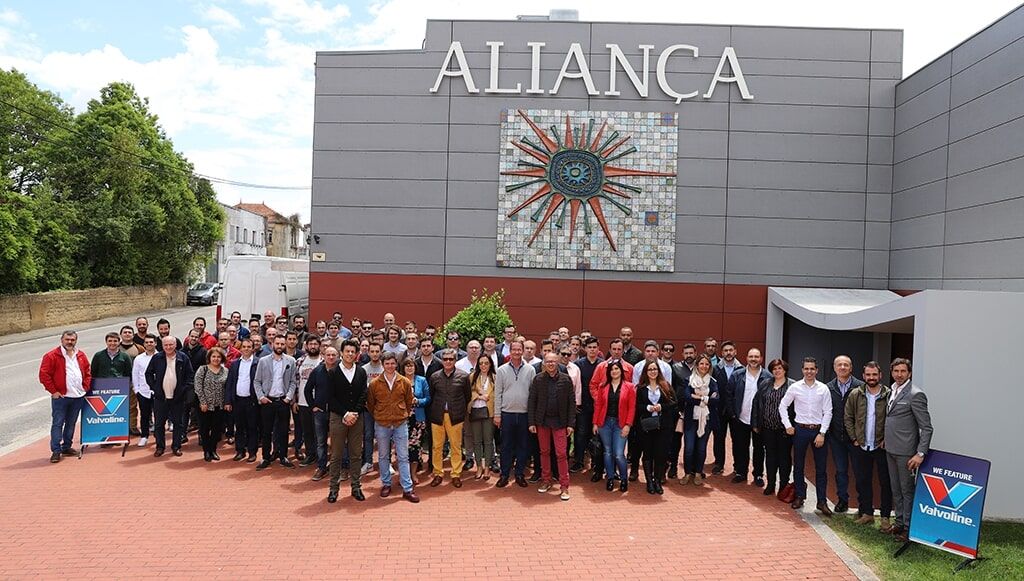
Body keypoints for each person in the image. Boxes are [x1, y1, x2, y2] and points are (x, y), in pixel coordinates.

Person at [884, 358, 932, 541]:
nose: (899, 374)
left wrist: (920, 453)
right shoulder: (892, 391)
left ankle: (909, 528)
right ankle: (899, 523)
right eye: (896, 371)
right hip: (890, 449)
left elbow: (926, 427)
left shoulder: (916, 394)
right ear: (892, 372)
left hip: (907, 452)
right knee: (896, 489)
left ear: (909, 373)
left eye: (903, 371)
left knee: (907, 491)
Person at [780, 357, 834, 516]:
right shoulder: (795, 387)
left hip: (818, 431)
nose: (809, 371)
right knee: (798, 465)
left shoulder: (823, 389)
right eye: (806, 368)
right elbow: (783, 406)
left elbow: (828, 411)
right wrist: (788, 425)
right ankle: (800, 496)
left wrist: (822, 433)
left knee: (821, 468)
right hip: (800, 431)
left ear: (817, 370)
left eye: (812, 369)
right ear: (802, 370)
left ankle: (822, 502)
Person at [844, 361, 893, 531]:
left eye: (874, 374)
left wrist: (887, 438)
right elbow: (848, 417)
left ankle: (885, 517)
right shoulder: (855, 394)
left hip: (881, 446)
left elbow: (894, 419)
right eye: (868, 375)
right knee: (862, 480)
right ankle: (867, 513)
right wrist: (854, 438)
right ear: (863, 376)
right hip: (861, 446)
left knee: (885, 482)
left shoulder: (889, 394)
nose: (871, 378)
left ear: (880, 375)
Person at [365, 352, 420, 502]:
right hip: (382, 424)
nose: (390, 366)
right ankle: (386, 484)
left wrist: (401, 414)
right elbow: (371, 404)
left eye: (392, 363)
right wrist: (380, 415)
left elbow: (408, 401)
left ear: (396, 364)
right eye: (387, 363)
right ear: (382, 365)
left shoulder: (404, 382)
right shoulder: (375, 383)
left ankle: (407, 489)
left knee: (403, 456)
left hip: (400, 423)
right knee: (383, 456)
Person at [321, 340, 368, 503]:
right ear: (341, 353)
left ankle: (356, 487)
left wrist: (354, 413)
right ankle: (333, 489)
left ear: (356, 354)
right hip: (338, 417)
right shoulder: (332, 372)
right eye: (347, 351)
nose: (350, 354)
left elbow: (363, 394)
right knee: (336, 455)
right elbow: (329, 397)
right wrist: (345, 413)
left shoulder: (361, 372)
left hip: (357, 417)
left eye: (352, 352)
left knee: (356, 454)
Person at [528, 352, 576, 501]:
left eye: (553, 361)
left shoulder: (566, 379)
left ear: (557, 362)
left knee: (561, 454)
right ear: (544, 363)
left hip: (560, 422)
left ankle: (564, 486)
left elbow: (572, 403)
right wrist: (531, 422)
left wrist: (570, 424)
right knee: (544, 452)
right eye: (548, 361)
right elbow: (532, 401)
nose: (550, 364)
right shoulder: (538, 379)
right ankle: (546, 480)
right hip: (542, 421)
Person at [39, 330, 91, 462]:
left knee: (71, 423)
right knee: (58, 423)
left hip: (77, 396)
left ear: (76, 341)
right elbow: (44, 375)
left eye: (72, 340)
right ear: (61, 340)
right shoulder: (51, 356)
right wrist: (53, 391)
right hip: (61, 397)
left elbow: (87, 371)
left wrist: (85, 387)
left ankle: (66, 447)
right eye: (67, 339)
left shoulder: (80, 354)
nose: (70, 342)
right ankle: (56, 451)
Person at [427, 349, 471, 488]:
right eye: (445, 359)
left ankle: (456, 474)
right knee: (437, 446)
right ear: (442, 360)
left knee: (456, 446)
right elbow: (431, 395)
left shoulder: (463, 376)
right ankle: (438, 473)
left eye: (451, 359)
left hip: (455, 416)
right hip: (437, 415)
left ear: (455, 360)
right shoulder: (434, 377)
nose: (448, 361)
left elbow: (467, 396)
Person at [826, 355, 864, 514]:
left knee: (859, 472)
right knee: (841, 471)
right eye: (839, 365)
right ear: (834, 368)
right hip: (836, 438)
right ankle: (842, 500)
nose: (842, 367)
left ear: (851, 368)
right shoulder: (828, 388)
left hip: (856, 439)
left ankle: (863, 504)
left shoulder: (861, 387)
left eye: (846, 365)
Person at [494, 340, 536, 488]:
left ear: (522, 351)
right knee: (506, 446)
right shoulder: (501, 370)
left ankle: (519, 474)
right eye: (514, 350)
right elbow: (497, 393)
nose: (517, 352)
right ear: (510, 351)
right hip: (507, 414)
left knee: (523, 446)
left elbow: (533, 394)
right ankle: (504, 475)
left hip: (524, 414)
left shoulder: (530, 370)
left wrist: (532, 417)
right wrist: (497, 414)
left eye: (519, 350)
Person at [145, 336, 194, 457]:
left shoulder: (183, 358)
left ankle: (176, 446)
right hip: (160, 398)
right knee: (159, 424)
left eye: (171, 345)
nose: (168, 347)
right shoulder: (157, 358)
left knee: (178, 424)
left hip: (178, 398)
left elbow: (190, 376)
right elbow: (148, 373)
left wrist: (183, 390)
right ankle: (160, 447)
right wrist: (155, 387)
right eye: (165, 345)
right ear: (162, 346)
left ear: (175, 345)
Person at [254, 336, 298, 470]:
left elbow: (293, 382)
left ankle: (283, 456)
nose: (279, 346)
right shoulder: (263, 361)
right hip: (268, 401)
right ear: (272, 344)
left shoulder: (291, 361)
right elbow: (257, 381)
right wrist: (261, 396)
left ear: (285, 345)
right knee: (266, 431)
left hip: (283, 401)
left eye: (282, 344)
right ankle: (266, 457)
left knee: (284, 431)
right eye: (277, 343)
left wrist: (288, 397)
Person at [727, 348, 770, 486]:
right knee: (740, 447)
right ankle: (741, 472)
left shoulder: (768, 376)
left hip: (759, 420)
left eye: (756, 357)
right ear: (746, 358)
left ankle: (758, 474)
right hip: (741, 418)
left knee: (759, 448)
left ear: (761, 359)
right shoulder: (737, 374)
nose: (753, 359)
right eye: (751, 356)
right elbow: (729, 395)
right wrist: (733, 414)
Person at [591, 360, 635, 491]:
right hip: (604, 423)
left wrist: (628, 425)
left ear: (621, 370)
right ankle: (610, 478)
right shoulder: (603, 386)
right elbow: (598, 405)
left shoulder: (630, 387)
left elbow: (631, 408)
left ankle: (624, 479)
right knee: (608, 452)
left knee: (619, 454)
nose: (614, 371)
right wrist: (595, 423)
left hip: (620, 424)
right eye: (611, 369)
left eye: (616, 369)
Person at [635, 359, 677, 494]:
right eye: (650, 369)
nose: (653, 372)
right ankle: (649, 481)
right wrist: (647, 408)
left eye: (655, 369)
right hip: (647, 427)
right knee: (648, 454)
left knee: (661, 454)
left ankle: (657, 481)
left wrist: (661, 407)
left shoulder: (666, 386)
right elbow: (637, 406)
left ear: (658, 371)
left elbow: (674, 403)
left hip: (663, 427)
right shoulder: (641, 388)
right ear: (645, 372)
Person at [754, 358, 793, 496]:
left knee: (784, 458)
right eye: (774, 369)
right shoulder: (765, 383)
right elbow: (756, 403)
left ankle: (783, 485)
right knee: (770, 457)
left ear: (785, 370)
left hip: (785, 430)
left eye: (779, 368)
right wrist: (755, 423)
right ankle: (771, 484)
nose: (777, 371)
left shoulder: (792, 385)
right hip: (768, 428)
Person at [681, 354, 719, 486]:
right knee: (689, 448)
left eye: (707, 364)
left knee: (701, 448)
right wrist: (706, 398)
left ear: (710, 366)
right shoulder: (689, 380)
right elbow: (687, 397)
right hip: (691, 419)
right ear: (697, 365)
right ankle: (687, 473)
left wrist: (699, 397)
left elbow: (716, 400)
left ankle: (698, 473)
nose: (704, 366)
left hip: (706, 420)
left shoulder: (713, 382)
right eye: (701, 363)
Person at [574, 337, 604, 482]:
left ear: (598, 349)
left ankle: (596, 463)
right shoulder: (578, 364)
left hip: (599, 406)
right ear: (585, 349)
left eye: (594, 347)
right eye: (590, 347)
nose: (592, 350)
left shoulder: (603, 365)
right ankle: (579, 461)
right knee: (581, 434)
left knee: (597, 436)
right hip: (582, 406)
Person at [225, 338, 260, 462]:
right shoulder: (235, 364)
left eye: (249, 347)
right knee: (239, 427)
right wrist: (228, 401)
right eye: (244, 346)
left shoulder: (258, 363)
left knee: (252, 427)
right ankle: (240, 451)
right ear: (240, 348)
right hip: (238, 400)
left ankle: (252, 452)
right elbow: (230, 383)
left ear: (253, 348)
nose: (246, 349)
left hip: (252, 401)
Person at [711, 340, 742, 474]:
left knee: (737, 439)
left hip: (736, 410)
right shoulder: (715, 369)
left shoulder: (742, 369)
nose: (728, 353)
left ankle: (737, 466)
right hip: (719, 409)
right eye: (725, 351)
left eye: (730, 350)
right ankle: (719, 463)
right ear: (722, 353)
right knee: (719, 438)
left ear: (735, 352)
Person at [194, 347, 229, 462]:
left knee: (216, 429)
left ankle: (213, 450)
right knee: (204, 429)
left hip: (219, 405)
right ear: (209, 357)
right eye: (213, 356)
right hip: (205, 406)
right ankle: (206, 451)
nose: (216, 359)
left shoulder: (225, 371)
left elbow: (227, 387)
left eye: (218, 357)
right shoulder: (202, 369)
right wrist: (203, 402)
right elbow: (198, 387)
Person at [294, 336, 322, 466]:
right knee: (307, 431)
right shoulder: (300, 361)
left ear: (319, 346)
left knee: (320, 432)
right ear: (306, 346)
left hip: (319, 403)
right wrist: (294, 400)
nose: (313, 346)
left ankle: (321, 456)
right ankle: (310, 454)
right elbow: (295, 382)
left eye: (315, 344)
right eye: (311, 344)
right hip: (303, 401)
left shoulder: (323, 361)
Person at [468, 354, 496, 481]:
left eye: (486, 363)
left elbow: (498, 394)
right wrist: (479, 396)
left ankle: (487, 467)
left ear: (490, 364)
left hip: (489, 412)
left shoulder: (495, 378)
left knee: (488, 440)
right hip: (475, 411)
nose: (483, 365)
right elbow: (468, 392)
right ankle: (479, 466)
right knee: (476, 440)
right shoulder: (472, 377)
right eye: (481, 363)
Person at [402, 357, 430, 473]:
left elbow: (428, 398)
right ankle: (405, 473)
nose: (409, 368)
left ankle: (414, 472)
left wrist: (418, 401)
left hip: (417, 419)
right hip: (402, 419)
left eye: (411, 366)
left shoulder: (422, 380)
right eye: (407, 366)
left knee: (415, 446)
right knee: (402, 447)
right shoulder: (399, 380)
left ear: (415, 367)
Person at [360, 342, 384, 476]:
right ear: (368, 353)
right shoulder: (363, 369)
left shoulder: (386, 367)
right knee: (368, 435)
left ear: (381, 352)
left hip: (383, 409)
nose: (375, 354)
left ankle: (385, 462)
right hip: (367, 408)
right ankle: (368, 462)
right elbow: (361, 389)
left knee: (384, 436)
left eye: (377, 351)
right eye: (372, 351)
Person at [131, 334, 158, 447]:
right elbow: (135, 374)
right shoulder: (139, 358)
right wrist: (137, 390)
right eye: (147, 342)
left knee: (159, 415)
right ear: (144, 344)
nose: (149, 344)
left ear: (155, 343)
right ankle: (144, 436)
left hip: (157, 392)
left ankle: (158, 436)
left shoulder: (161, 356)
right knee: (145, 415)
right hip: (143, 391)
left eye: (151, 342)